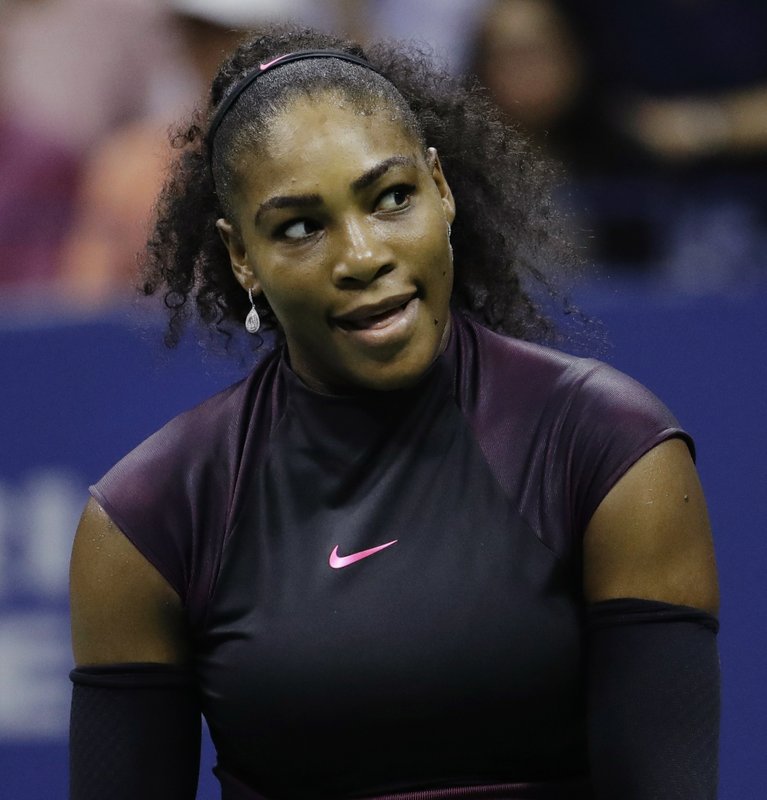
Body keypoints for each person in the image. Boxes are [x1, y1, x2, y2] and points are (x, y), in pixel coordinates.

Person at [68, 25, 721, 800]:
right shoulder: (147, 521)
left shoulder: (612, 450)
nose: (362, 255)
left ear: (440, 190)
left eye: (391, 199)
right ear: (241, 254)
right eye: (301, 227)